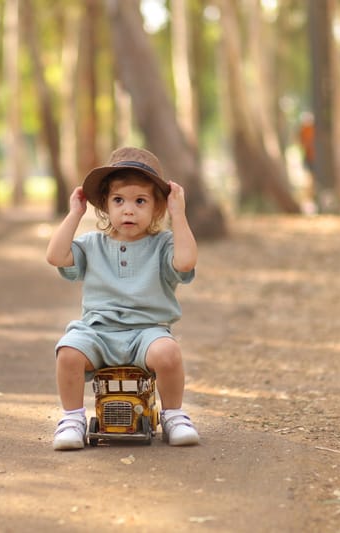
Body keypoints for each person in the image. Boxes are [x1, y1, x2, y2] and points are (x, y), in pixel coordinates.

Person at [46, 146, 200, 451]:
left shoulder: (162, 245)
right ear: (104, 206)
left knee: (168, 354)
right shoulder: (92, 245)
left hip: (147, 332)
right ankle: (73, 418)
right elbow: (56, 255)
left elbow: (185, 263)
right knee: (68, 352)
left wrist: (178, 215)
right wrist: (75, 213)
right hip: (98, 331)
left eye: (140, 201)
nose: (128, 210)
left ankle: (173, 415)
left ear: (157, 208)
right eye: (119, 201)